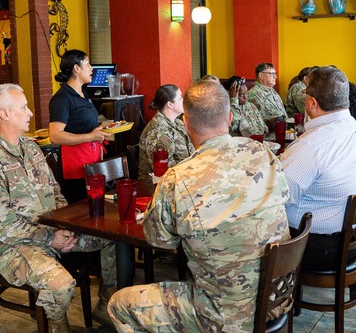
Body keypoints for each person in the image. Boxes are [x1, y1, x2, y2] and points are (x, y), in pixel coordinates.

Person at [108, 82, 290, 332]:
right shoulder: (263, 153)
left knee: (119, 303)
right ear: (229, 117)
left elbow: (159, 240)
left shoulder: (177, 178)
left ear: (186, 124)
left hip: (225, 314)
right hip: (276, 297)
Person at [0, 83, 117, 332]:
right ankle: (58, 327)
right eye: (23, 107)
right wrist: (50, 237)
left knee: (112, 239)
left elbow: (55, 193)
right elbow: (0, 226)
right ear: (5, 114)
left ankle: (106, 303)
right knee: (61, 284)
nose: (30, 113)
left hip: (52, 232)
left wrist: (66, 229)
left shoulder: (31, 148)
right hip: (12, 247)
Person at [280, 67, 356, 269]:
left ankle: (269, 297)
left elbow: (279, 197)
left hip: (318, 246)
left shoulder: (311, 146)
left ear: (312, 102)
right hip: (355, 238)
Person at [48, 50, 112, 203]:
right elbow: (55, 136)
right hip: (75, 165)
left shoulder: (83, 94)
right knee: (81, 209)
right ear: (76, 68)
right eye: (88, 63)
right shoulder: (62, 99)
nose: (92, 68)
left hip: (91, 160)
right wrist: (90, 136)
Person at [138, 84, 194, 182]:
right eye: (180, 98)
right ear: (170, 104)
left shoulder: (178, 122)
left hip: (184, 178)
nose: (183, 101)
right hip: (161, 186)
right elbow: (164, 172)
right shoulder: (157, 132)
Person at [248, 62, 288, 130]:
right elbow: (259, 122)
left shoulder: (272, 91)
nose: (275, 77)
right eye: (272, 74)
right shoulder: (253, 94)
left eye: (275, 74)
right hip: (269, 134)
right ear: (261, 76)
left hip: (283, 129)